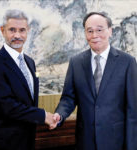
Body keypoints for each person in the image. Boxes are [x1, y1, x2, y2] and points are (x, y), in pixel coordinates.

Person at [52, 12, 137, 150]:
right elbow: (68, 98)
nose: (94, 35)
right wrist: (59, 115)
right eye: (89, 31)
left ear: (110, 31)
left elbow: (133, 109)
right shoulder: (76, 62)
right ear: (85, 33)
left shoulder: (127, 62)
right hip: (85, 141)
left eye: (99, 30)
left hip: (116, 141)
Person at [0, 9, 56, 150]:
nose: (17, 35)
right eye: (12, 30)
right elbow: (7, 106)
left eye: (22, 30)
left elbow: (28, 99)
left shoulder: (30, 62)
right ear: (2, 30)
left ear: (28, 31)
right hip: (4, 142)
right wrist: (43, 116)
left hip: (28, 139)